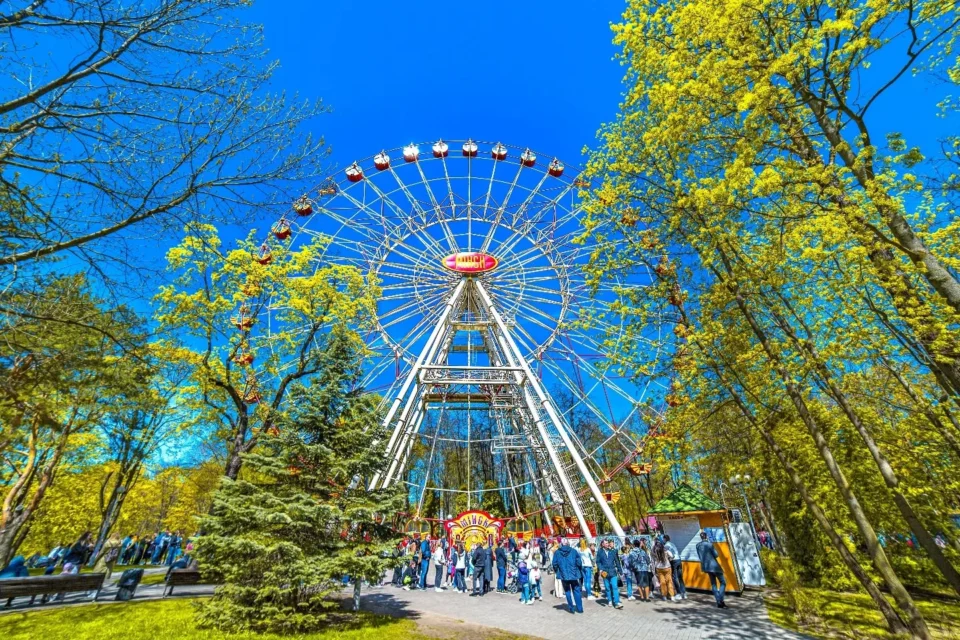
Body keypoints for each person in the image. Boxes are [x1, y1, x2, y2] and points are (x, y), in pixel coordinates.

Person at [552, 538, 584, 614]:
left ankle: (571, 608)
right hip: (574, 574)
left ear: (561, 544)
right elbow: (579, 562)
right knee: (576, 591)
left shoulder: (557, 552)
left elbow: (554, 564)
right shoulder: (573, 551)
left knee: (567, 591)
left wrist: (557, 571)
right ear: (568, 543)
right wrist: (578, 569)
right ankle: (580, 608)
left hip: (564, 575)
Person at [696, 531, 726, 608]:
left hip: (706, 567)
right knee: (723, 582)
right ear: (706, 537)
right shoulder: (709, 544)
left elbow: (700, 556)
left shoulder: (698, 545)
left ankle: (718, 601)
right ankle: (720, 599)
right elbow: (716, 555)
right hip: (714, 566)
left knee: (713, 584)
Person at [596, 539, 623, 609]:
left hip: (613, 572)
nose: (607, 544)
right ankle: (610, 600)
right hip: (604, 572)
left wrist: (620, 570)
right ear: (602, 544)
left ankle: (617, 602)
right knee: (607, 588)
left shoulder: (612, 551)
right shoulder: (600, 552)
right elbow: (598, 562)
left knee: (615, 587)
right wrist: (601, 568)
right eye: (606, 543)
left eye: (608, 543)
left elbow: (617, 561)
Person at [663, 534, 687, 600]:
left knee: (674, 577)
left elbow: (668, 555)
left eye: (663, 539)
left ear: (665, 539)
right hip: (679, 560)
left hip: (674, 561)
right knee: (680, 577)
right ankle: (684, 593)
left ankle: (679, 593)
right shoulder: (672, 544)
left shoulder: (666, 546)